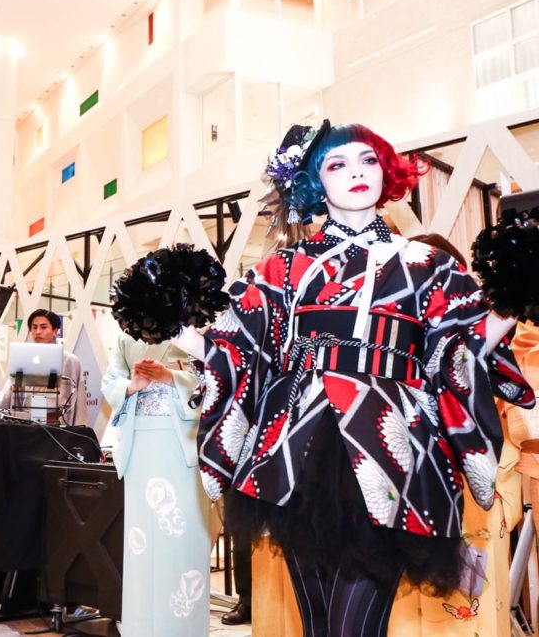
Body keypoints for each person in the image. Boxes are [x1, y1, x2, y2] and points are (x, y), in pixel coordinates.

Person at [172, 121, 535, 636]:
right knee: (319, 627)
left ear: (385, 171)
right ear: (314, 183)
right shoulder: (283, 268)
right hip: (297, 453)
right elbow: (238, 348)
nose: (356, 172)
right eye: (337, 164)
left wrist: (514, 298)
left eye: (368, 160)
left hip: (391, 452)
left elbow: (461, 347)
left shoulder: (427, 264)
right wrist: (175, 327)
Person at [101, 330, 212, 636]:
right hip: (140, 441)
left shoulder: (193, 330)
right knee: (140, 544)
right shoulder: (126, 335)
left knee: (180, 538)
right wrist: (131, 386)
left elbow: (217, 375)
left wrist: (171, 377)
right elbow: (111, 380)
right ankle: (139, 628)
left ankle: (181, 629)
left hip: (179, 439)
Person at [0, 309, 88, 426]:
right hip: (25, 425)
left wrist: (80, 429)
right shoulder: (23, 360)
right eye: (34, 327)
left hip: (57, 426)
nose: (38, 332)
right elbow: (6, 395)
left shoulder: (69, 360)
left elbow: (79, 401)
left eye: (43, 327)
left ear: (55, 331)